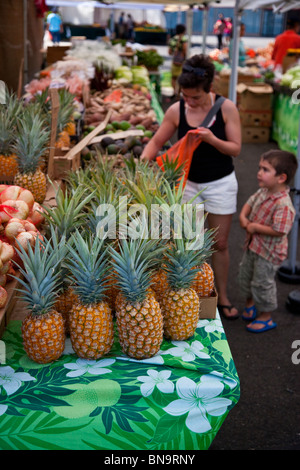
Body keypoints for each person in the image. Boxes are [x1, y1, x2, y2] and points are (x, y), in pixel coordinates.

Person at [140, 54, 241, 319]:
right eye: (185, 95)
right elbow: (155, 142)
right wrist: (141, 165)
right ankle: (193, 293)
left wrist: (211, 139)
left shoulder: (226, 108)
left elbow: (236, 148)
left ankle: (223, 296)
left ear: (208, 89)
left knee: (219, 242)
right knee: (190, 243)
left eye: (195, 97)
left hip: (220, 182)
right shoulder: (176, 110)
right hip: (187, 185)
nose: (189, 101)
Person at [239, 149, 297, 333]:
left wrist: (254, 227)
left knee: (262, 283)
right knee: (246, 276)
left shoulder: (284, 204)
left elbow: (280, 230)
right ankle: (251, 304)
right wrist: (243, 215)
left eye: (265, 169)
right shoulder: (263, 191)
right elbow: (250, 201)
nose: (259, 172)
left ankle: (265, 317)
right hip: (253, 247)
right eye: (259, 168)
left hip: (268, 254)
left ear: (281, 178)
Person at [168, 24, 188, 97]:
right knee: (181, 79)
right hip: (182, 62)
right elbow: (185, 49)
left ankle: (174, 92)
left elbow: (169, 52)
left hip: (174, 61)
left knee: (173, 78)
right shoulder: (184, 39)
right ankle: (178, 94)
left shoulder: (172, 39)